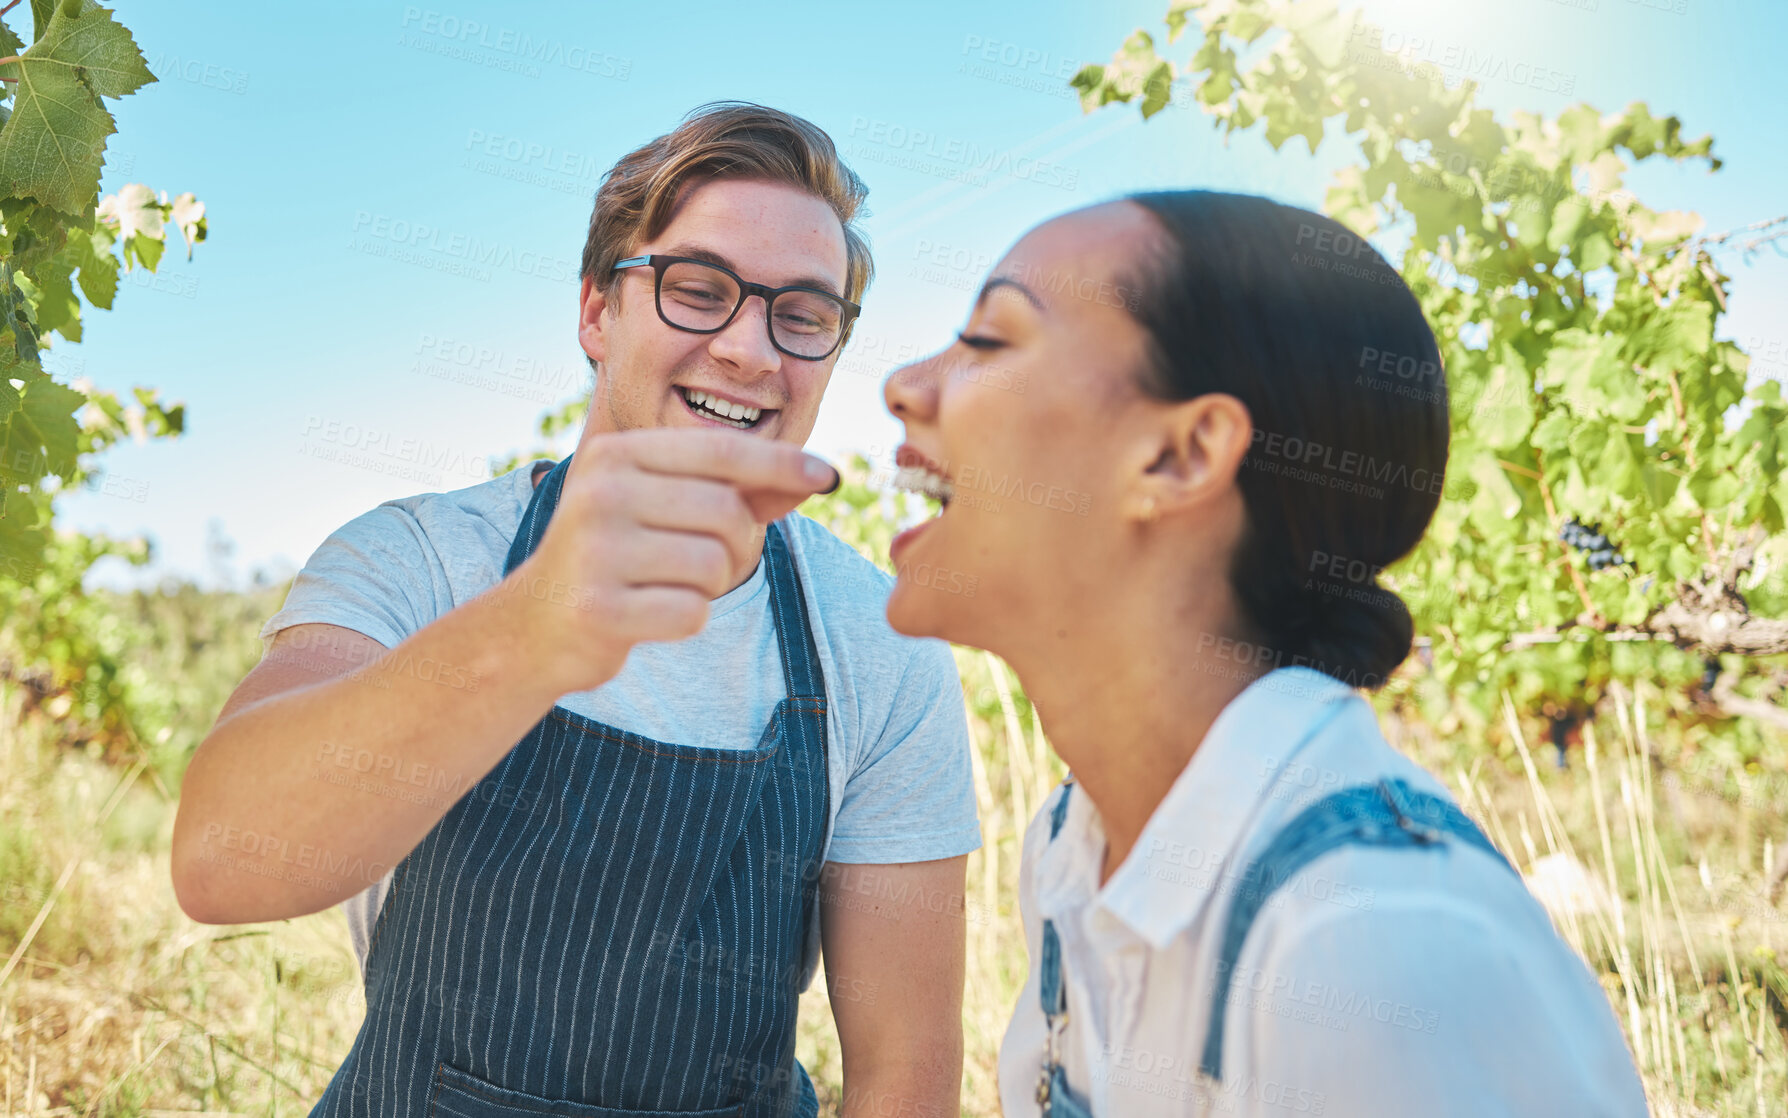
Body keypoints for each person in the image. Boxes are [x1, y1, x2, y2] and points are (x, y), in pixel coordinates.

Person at [171, 102, 980, 1118]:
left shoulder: (875, 636)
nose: (749, 350)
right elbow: (224, 862)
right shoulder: (421, 559)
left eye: (803, 314)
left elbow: (905, 1073)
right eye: (698, 290)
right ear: (598, 310)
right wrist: (538, 624)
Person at [881, 190, 1649, 1116]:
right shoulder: (1071, 849)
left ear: (1181, 455)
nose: (905, 385)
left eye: (990, 341)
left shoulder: (1377, 949)